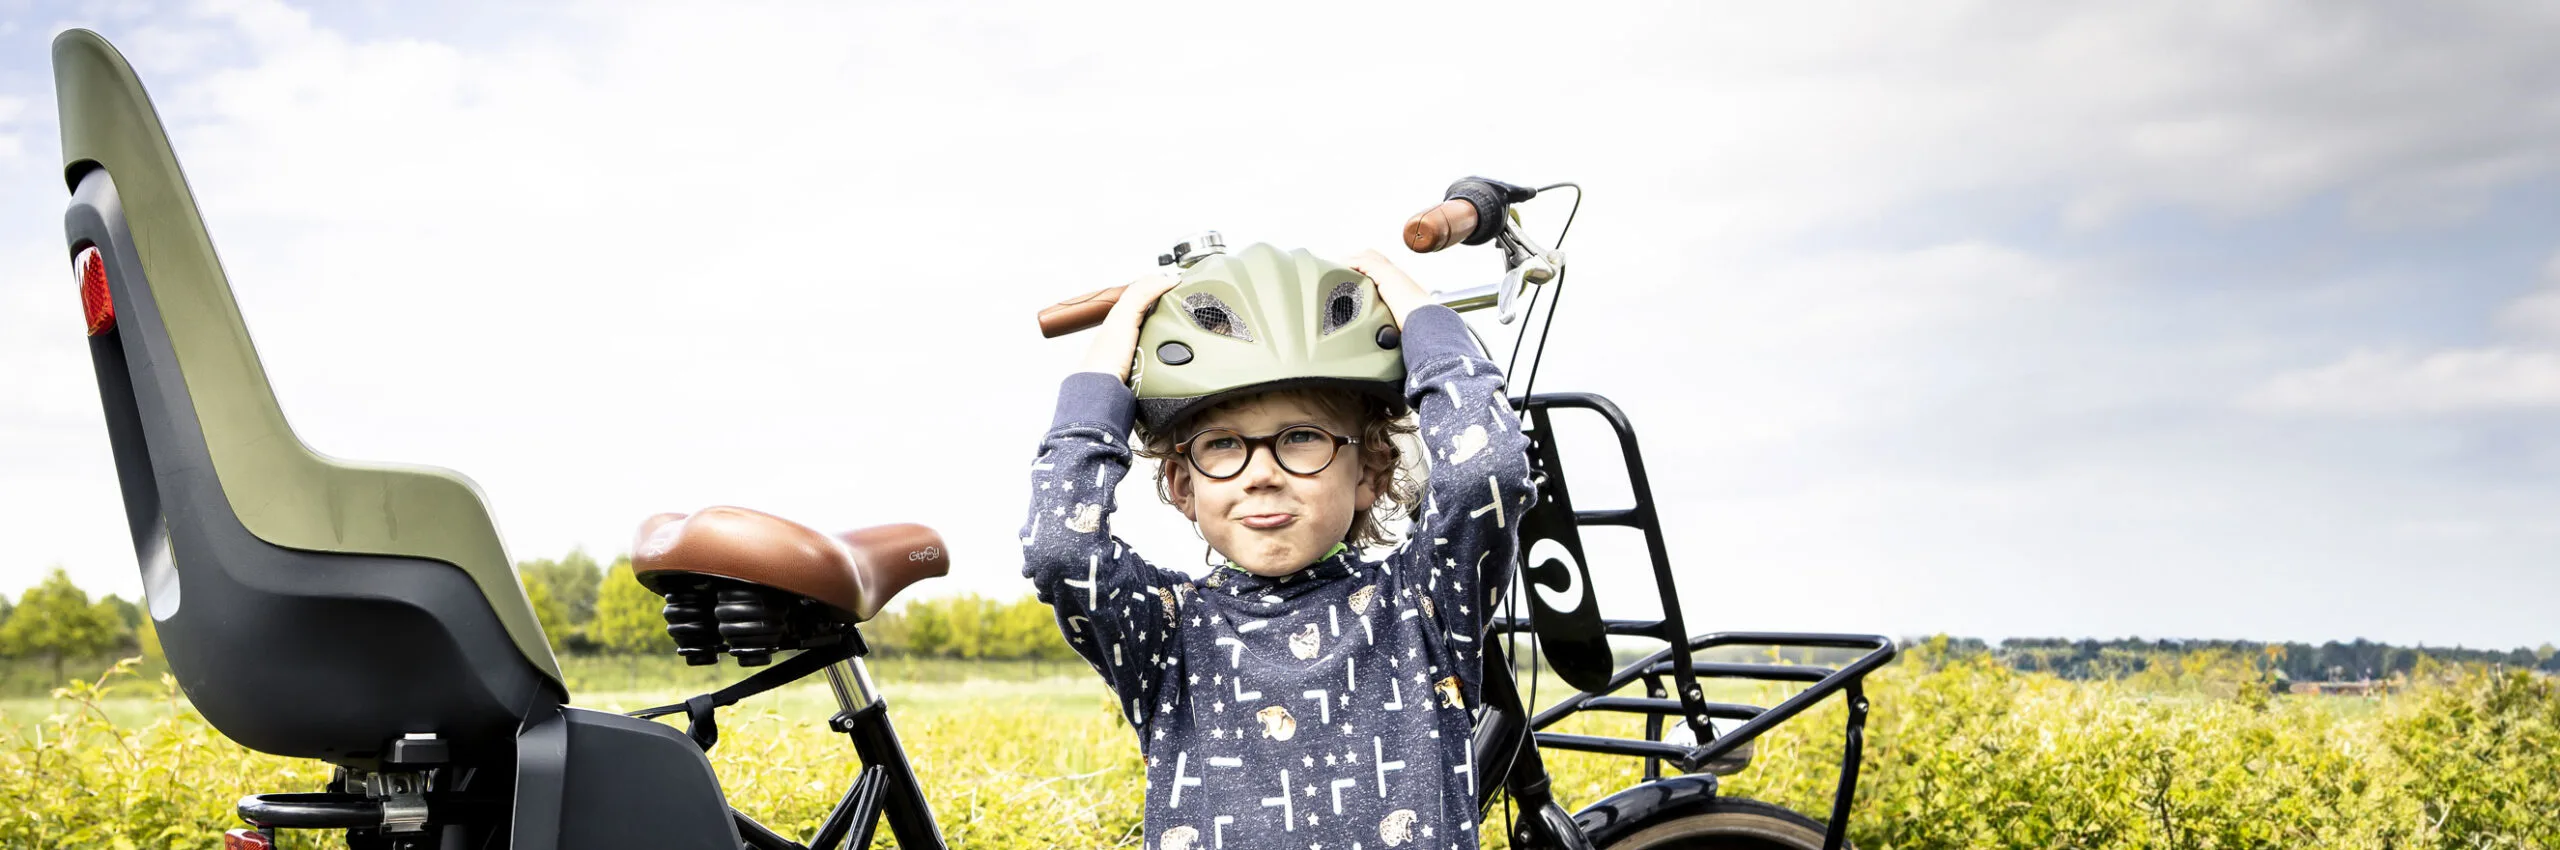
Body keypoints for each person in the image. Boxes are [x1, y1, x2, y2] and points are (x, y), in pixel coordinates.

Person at [1021, 241, 1536, 850]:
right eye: (1222, 445)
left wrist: (1415, 308)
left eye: (1300, 438)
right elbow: (1059, 545)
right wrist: (1113, 347)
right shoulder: (1168, 632)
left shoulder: (1422, 605)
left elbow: (1488, 474)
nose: (1261, 473)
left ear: (1369, 471)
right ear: (1182, 485)